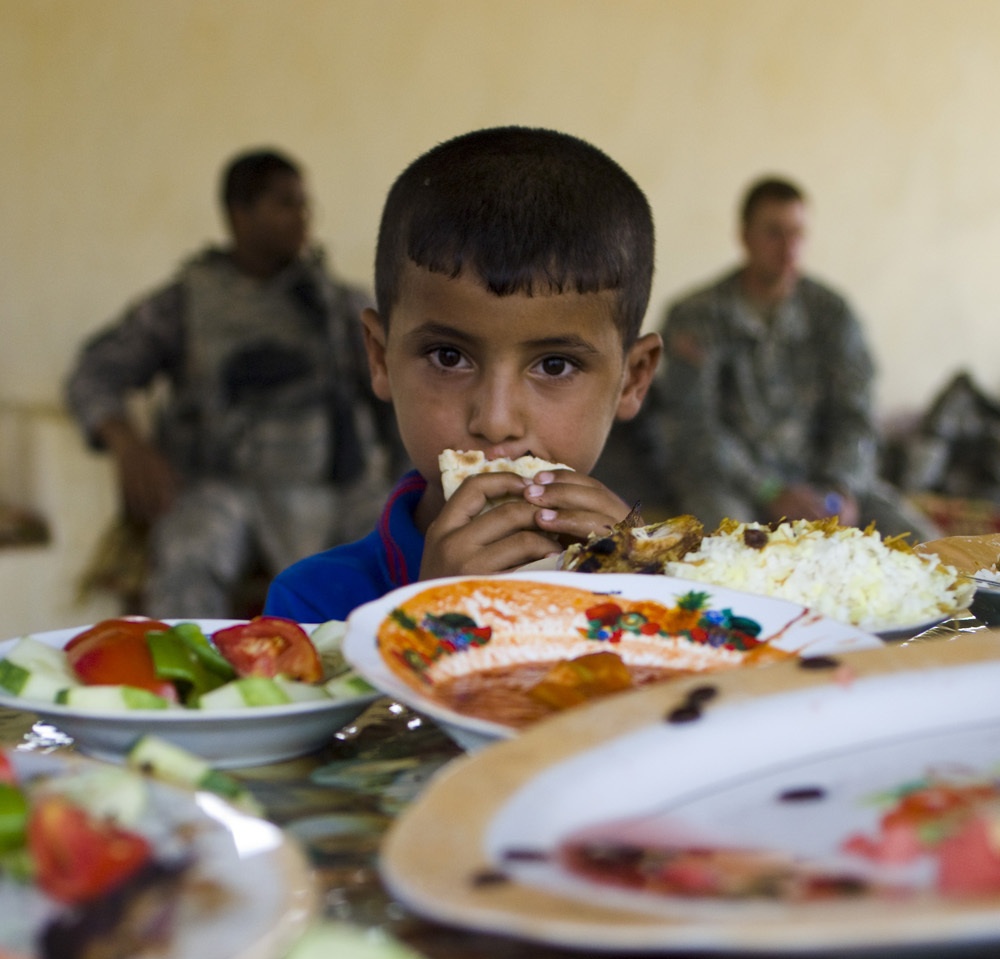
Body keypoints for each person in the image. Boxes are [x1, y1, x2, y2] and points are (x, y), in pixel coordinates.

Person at [265, 126, 662, 622]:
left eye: (554, 365)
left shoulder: (678, 590)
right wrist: (429, 624)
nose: (496, 423)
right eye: (449, 357)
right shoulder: (315, 604)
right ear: (379, 357)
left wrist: (650, 614)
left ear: (633, 378)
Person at [66, 148, 400, 617]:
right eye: (285, 203)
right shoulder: (186, 304)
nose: (302, 217)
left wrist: (410, 484)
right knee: (190, 552)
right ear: (239, 214)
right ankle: (182, 677)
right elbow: (94, 372)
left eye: (305, 204)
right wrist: (128, 445)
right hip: (225, 489)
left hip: (334, 489)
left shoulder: (336, 305)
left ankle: (389, 675)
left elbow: (398, 390)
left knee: (394, 546)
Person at [656, 177, 933, 538]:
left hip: (822, 485)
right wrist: (769, 491)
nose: (789, 248)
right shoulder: (696, 317)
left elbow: (856, 415)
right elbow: (693, 427)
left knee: (926, 546)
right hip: (733, 485)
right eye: (774, 233)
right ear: (745, 237)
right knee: (729, 555)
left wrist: (841, 486)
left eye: (798, 234)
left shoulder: (832, 315)